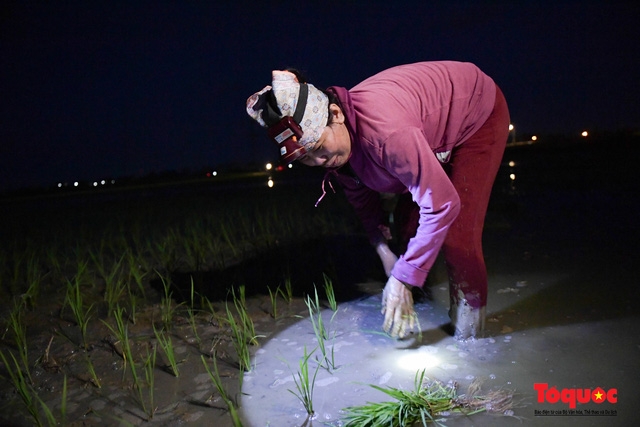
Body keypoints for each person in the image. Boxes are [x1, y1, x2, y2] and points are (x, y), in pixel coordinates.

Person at [246, 61, 509, 340]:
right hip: (423, 134)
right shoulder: (340, 153)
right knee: (408, 232)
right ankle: (415, 305)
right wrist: (385, 253)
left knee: (457, 237)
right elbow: (365, 205)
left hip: (475, 112)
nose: (320, 161)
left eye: (318, 148)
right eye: (306, 159)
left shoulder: (387, 134)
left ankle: (471, 336)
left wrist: (403, 276)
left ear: (335, 114)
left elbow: (443, 206)